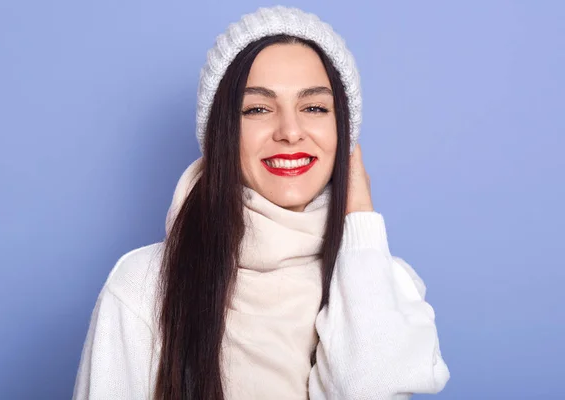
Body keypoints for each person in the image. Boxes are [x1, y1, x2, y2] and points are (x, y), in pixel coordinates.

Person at [73, 6, 450, 400]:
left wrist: (359, 217)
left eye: (314, 108)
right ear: (222, 132)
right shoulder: (144, 284)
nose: (290, 131)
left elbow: (369, 388)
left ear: (345, 134)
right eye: (257, 109)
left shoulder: (384, 282)